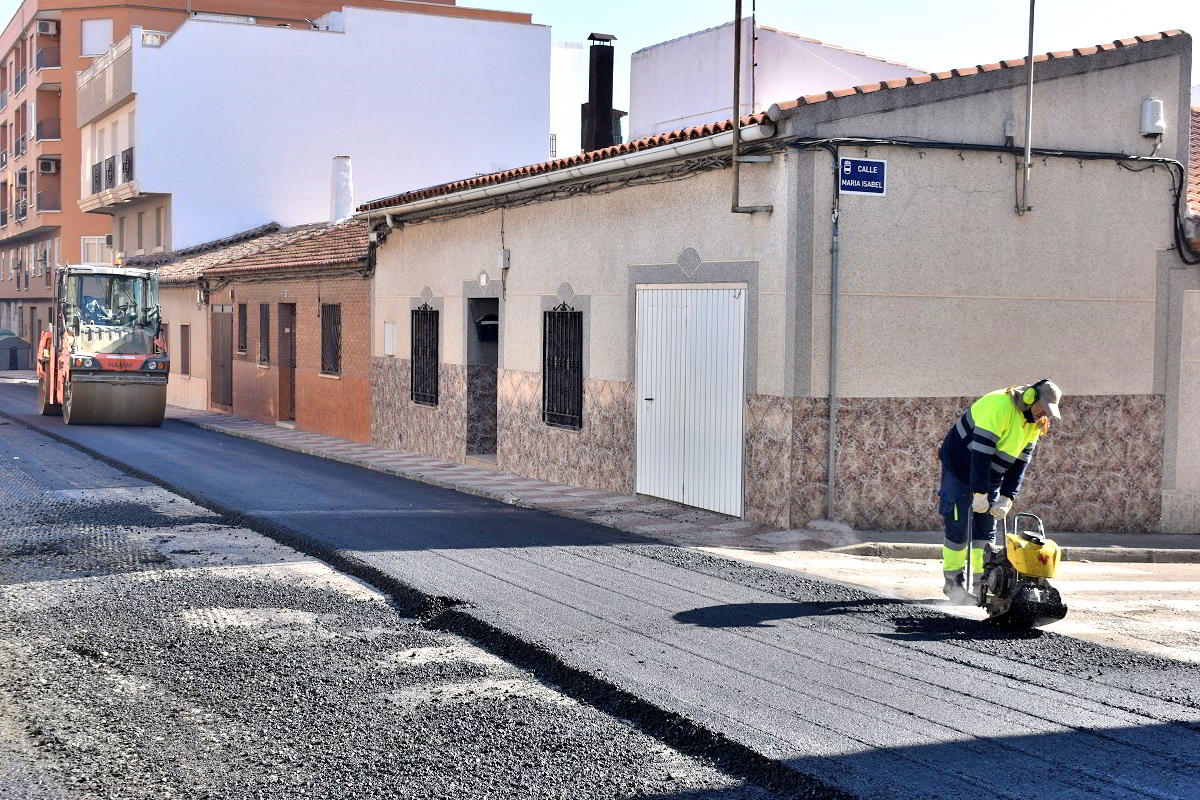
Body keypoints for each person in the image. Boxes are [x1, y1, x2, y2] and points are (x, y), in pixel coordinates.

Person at [937, 379, 1062, 603]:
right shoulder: (999, 405)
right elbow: (980, 456)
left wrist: (1007, 496)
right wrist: (979, 493)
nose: (1045, 414)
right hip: (960, 464)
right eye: (1042, 407)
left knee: (985, 529)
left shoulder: (1035, 423)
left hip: (991, 473)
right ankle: (953, 584)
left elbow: (1020, 464)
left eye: (1049, 411)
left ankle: (982, 585)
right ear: (1029, 397)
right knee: (957, 525)